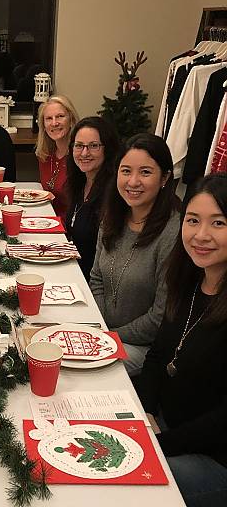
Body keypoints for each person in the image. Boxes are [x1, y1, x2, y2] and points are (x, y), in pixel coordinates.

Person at [135, 173, 227, 506]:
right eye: (193, 220)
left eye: (218, 223)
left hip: (213, 458)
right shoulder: (189, 282)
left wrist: (159, 442)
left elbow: (222, 421)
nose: (201, 235)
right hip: (165, 426)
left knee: (119, 486)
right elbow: (158, 356)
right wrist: (141, 413)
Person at [89, 133, 181, 375]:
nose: (133, 181)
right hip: (103, 332)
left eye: (146, 172)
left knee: (80, 371)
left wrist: (109, 336)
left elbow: (160, 317)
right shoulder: (113, 215)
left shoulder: (174, 232)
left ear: (165, 178)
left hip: (144, 347)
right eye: (126, 171)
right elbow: (97, 277)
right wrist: (100, 326)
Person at [65, 116, 120, 281]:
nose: (84, 153)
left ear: (107, 149)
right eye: (79, 146)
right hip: (73, 271)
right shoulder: (80, 182)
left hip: (93, 283)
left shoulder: (114, 192)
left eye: (93, 146)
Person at [35, 95, 79, 217]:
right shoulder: (44, 155)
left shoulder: (80, 157)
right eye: (49, 118)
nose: (54, 123)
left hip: (70, 228)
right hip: (48, 219)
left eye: (60, 116)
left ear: (71, 119)